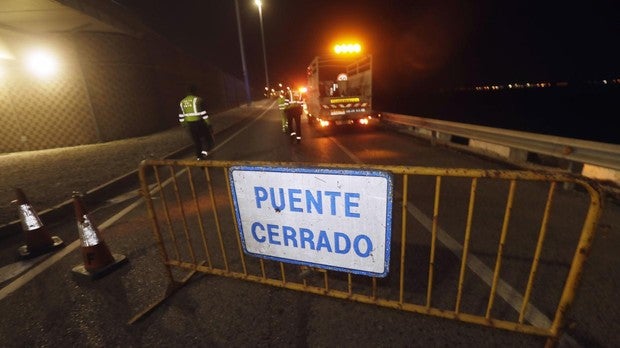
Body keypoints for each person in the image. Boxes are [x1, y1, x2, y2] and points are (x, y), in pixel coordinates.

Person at [178, 85, 214, 160]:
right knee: (207, 138)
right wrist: (209, 124)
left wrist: (184, 125)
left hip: (190, 124)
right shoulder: (198, 100)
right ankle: (204, 153)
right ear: (194, 91)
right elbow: (204, 114)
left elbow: (181, 116)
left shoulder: (182, 102)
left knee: (196, 141)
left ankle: (199, 157)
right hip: (199, 123)